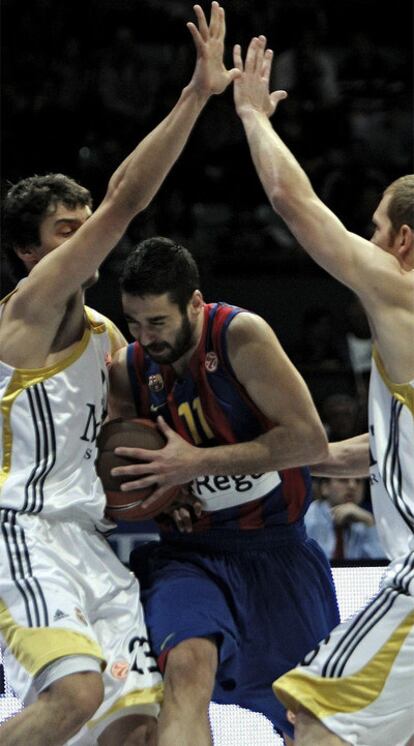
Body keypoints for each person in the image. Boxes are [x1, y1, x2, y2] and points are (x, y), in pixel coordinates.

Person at [0, 4, 240, 744]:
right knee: (72, 693)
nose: (85, 238)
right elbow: (128, 199)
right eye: (65, 231)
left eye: (83, 224)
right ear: (28, 254)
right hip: (21, 530)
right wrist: (196, 96)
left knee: (136, 723)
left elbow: (125, 432)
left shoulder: (108, 334)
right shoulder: (29, 309)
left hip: (88, 540)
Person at [233, 35, 414, 746]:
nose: (366, 240)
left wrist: (252, 115)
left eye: (374, 228)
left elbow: (294, 201)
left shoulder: (401, 294)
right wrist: (286, 457)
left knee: (314, 713)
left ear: (403, 239)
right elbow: (387, 450)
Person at [107, 236, 340, 746]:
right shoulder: (127, 369)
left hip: (277, 555)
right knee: (185, 673)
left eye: (158, 322)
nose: (145, 337)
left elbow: (307, 439)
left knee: (310, 717)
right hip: (187, 557)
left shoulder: (240, 335)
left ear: (194, 302)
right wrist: (148, 486)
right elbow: (121, 477)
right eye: (133, 322)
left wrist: (194, 464)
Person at [305, 477, 385, 561]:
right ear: (325, 488)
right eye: (343, 480)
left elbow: (380, 568)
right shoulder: (305, 520)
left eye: (358, 481)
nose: (352, 486)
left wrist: (369, 522)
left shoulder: (364, 521)